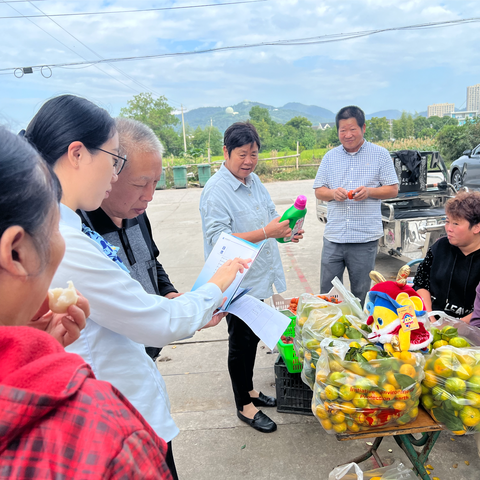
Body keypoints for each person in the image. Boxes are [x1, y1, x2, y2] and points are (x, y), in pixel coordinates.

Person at [23, 95, 250, 478]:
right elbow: (155, 321)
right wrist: (215, 287)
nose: (114, 175)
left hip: (122, 411)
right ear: (77, 154)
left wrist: (189, 303)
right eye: (114, 161)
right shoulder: (64, 240)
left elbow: (139, 292)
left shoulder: (69, 227)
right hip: (116, 424)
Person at [0, 126, 172, 479]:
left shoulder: (138, 219)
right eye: (54, 227)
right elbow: (155, 320)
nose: (148, 195)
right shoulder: (105, 433)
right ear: (15, 252)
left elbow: (153, 262)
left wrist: (37, 345)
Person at [200, 122, 304, 434]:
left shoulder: (254, 181)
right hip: (236, 282)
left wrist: (285, 233)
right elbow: (220, 241)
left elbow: (271, 221)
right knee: (240, 343)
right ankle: (244, 406)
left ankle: (251, 391)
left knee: (253, 337)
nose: (248, 161)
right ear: (226, 152)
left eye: (254, 154)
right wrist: (266, 232)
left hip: (258, 276)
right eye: (242, 154)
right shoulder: (216, 192)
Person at [80, 117, 179, 361]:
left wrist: (167, 292)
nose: (150, 196)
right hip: (116, 361)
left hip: (150, 350)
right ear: (110, 173)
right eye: (140, 184)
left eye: (155, 182)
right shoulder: (83, 230)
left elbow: (151, 261)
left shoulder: (137, 214)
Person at [313, 105, 399, 305]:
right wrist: (334, 193)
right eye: (343, 130)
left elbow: (393, 189)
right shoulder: (330, 157)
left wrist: (369, 192)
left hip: (364, 239)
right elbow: (319, 190)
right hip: (334, 237)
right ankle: (328, 332)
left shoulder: (380, 154)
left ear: (363, 128)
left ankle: (358, 332)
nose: (348, 134)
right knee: (327, 294)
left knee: (360, 294)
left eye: (352, 129)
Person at [413, 191, 480, 323]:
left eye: (456, 224)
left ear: (476, 227)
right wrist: (430, 318)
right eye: (447, 221)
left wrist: (453, 328)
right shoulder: (440, 246)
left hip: (471, 327)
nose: (448, 228)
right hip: (433, 318)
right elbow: (421, 283)